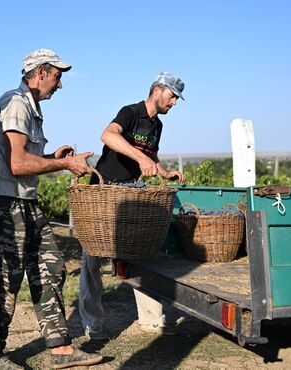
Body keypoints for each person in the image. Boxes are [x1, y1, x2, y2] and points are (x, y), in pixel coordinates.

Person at [0, 49, 104, 370]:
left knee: (51, 268)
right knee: (8, 278)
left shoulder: (30, 107)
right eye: (58, 76)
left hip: (24, 201)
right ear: (41, 72)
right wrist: (64, 163)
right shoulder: (17, 104)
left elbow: (24, 159)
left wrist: (52, 154)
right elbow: (18, 164)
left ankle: (60, 349)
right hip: (7, 203)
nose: (60, 85)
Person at [79, 72, 187, 340]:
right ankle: (93, 324)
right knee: (92, 260)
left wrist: (163, 172)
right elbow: (107, 135)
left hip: (130, 195)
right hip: (103, 192)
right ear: (158, 90)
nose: (174, 103)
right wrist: (139, 158)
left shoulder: (157, 126)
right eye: (172, 96)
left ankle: (151, 320)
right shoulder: (130, 112)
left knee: (141, 253)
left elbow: (151, 155)